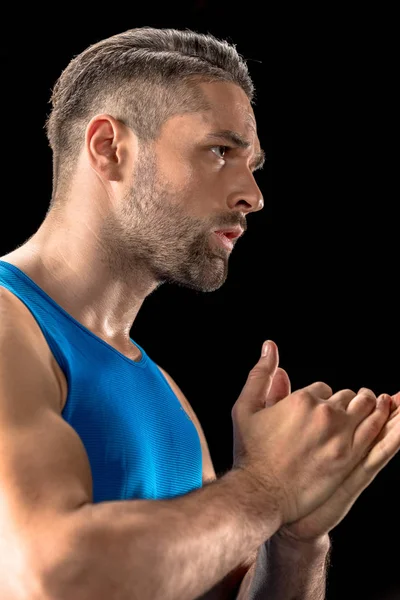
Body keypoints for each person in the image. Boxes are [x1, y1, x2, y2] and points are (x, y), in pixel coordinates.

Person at [0, 27, 399, 600]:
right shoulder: (8, 326)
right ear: (109, 147)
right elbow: (47, 575)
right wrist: (265, 488)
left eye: (253, 163)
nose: (253, 195)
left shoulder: (162, 392)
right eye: (220, 151)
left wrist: (294, 537)